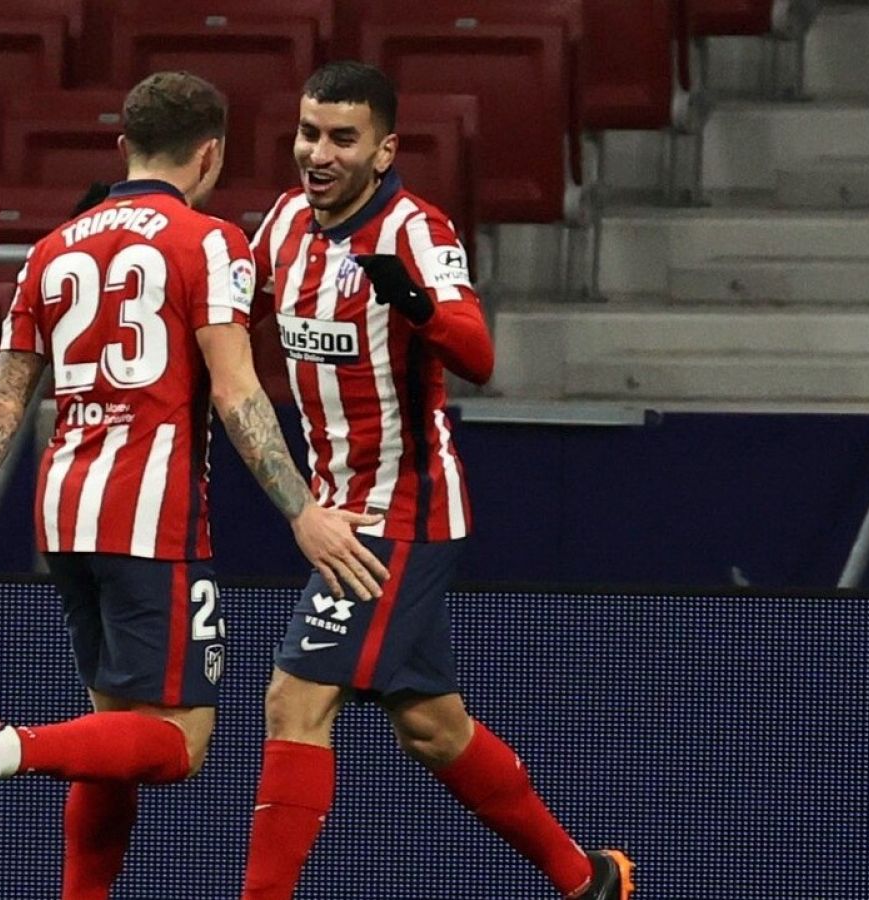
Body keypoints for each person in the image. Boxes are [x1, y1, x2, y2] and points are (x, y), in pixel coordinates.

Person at [0, 70, 388, 899]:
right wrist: (302, 512)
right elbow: (234, 392)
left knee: (114, 736)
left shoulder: (52, 249)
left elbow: (5, 399)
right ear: (210, 155)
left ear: (124, 148)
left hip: (66, 516)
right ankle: (6, 748)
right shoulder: (209, 240)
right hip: (150, 519)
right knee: (181, 746)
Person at [239, 61, 635, 900]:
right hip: (339, 509)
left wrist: (417, 306)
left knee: (295, 699)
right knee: (430, 724)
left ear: (384, 150)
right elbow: (232, 326)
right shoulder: (281, 225)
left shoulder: (417, 232)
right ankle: (587, 878)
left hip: (400, 512)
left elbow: (481, 357)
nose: (318, 152)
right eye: (310, 132)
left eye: (342, 138)